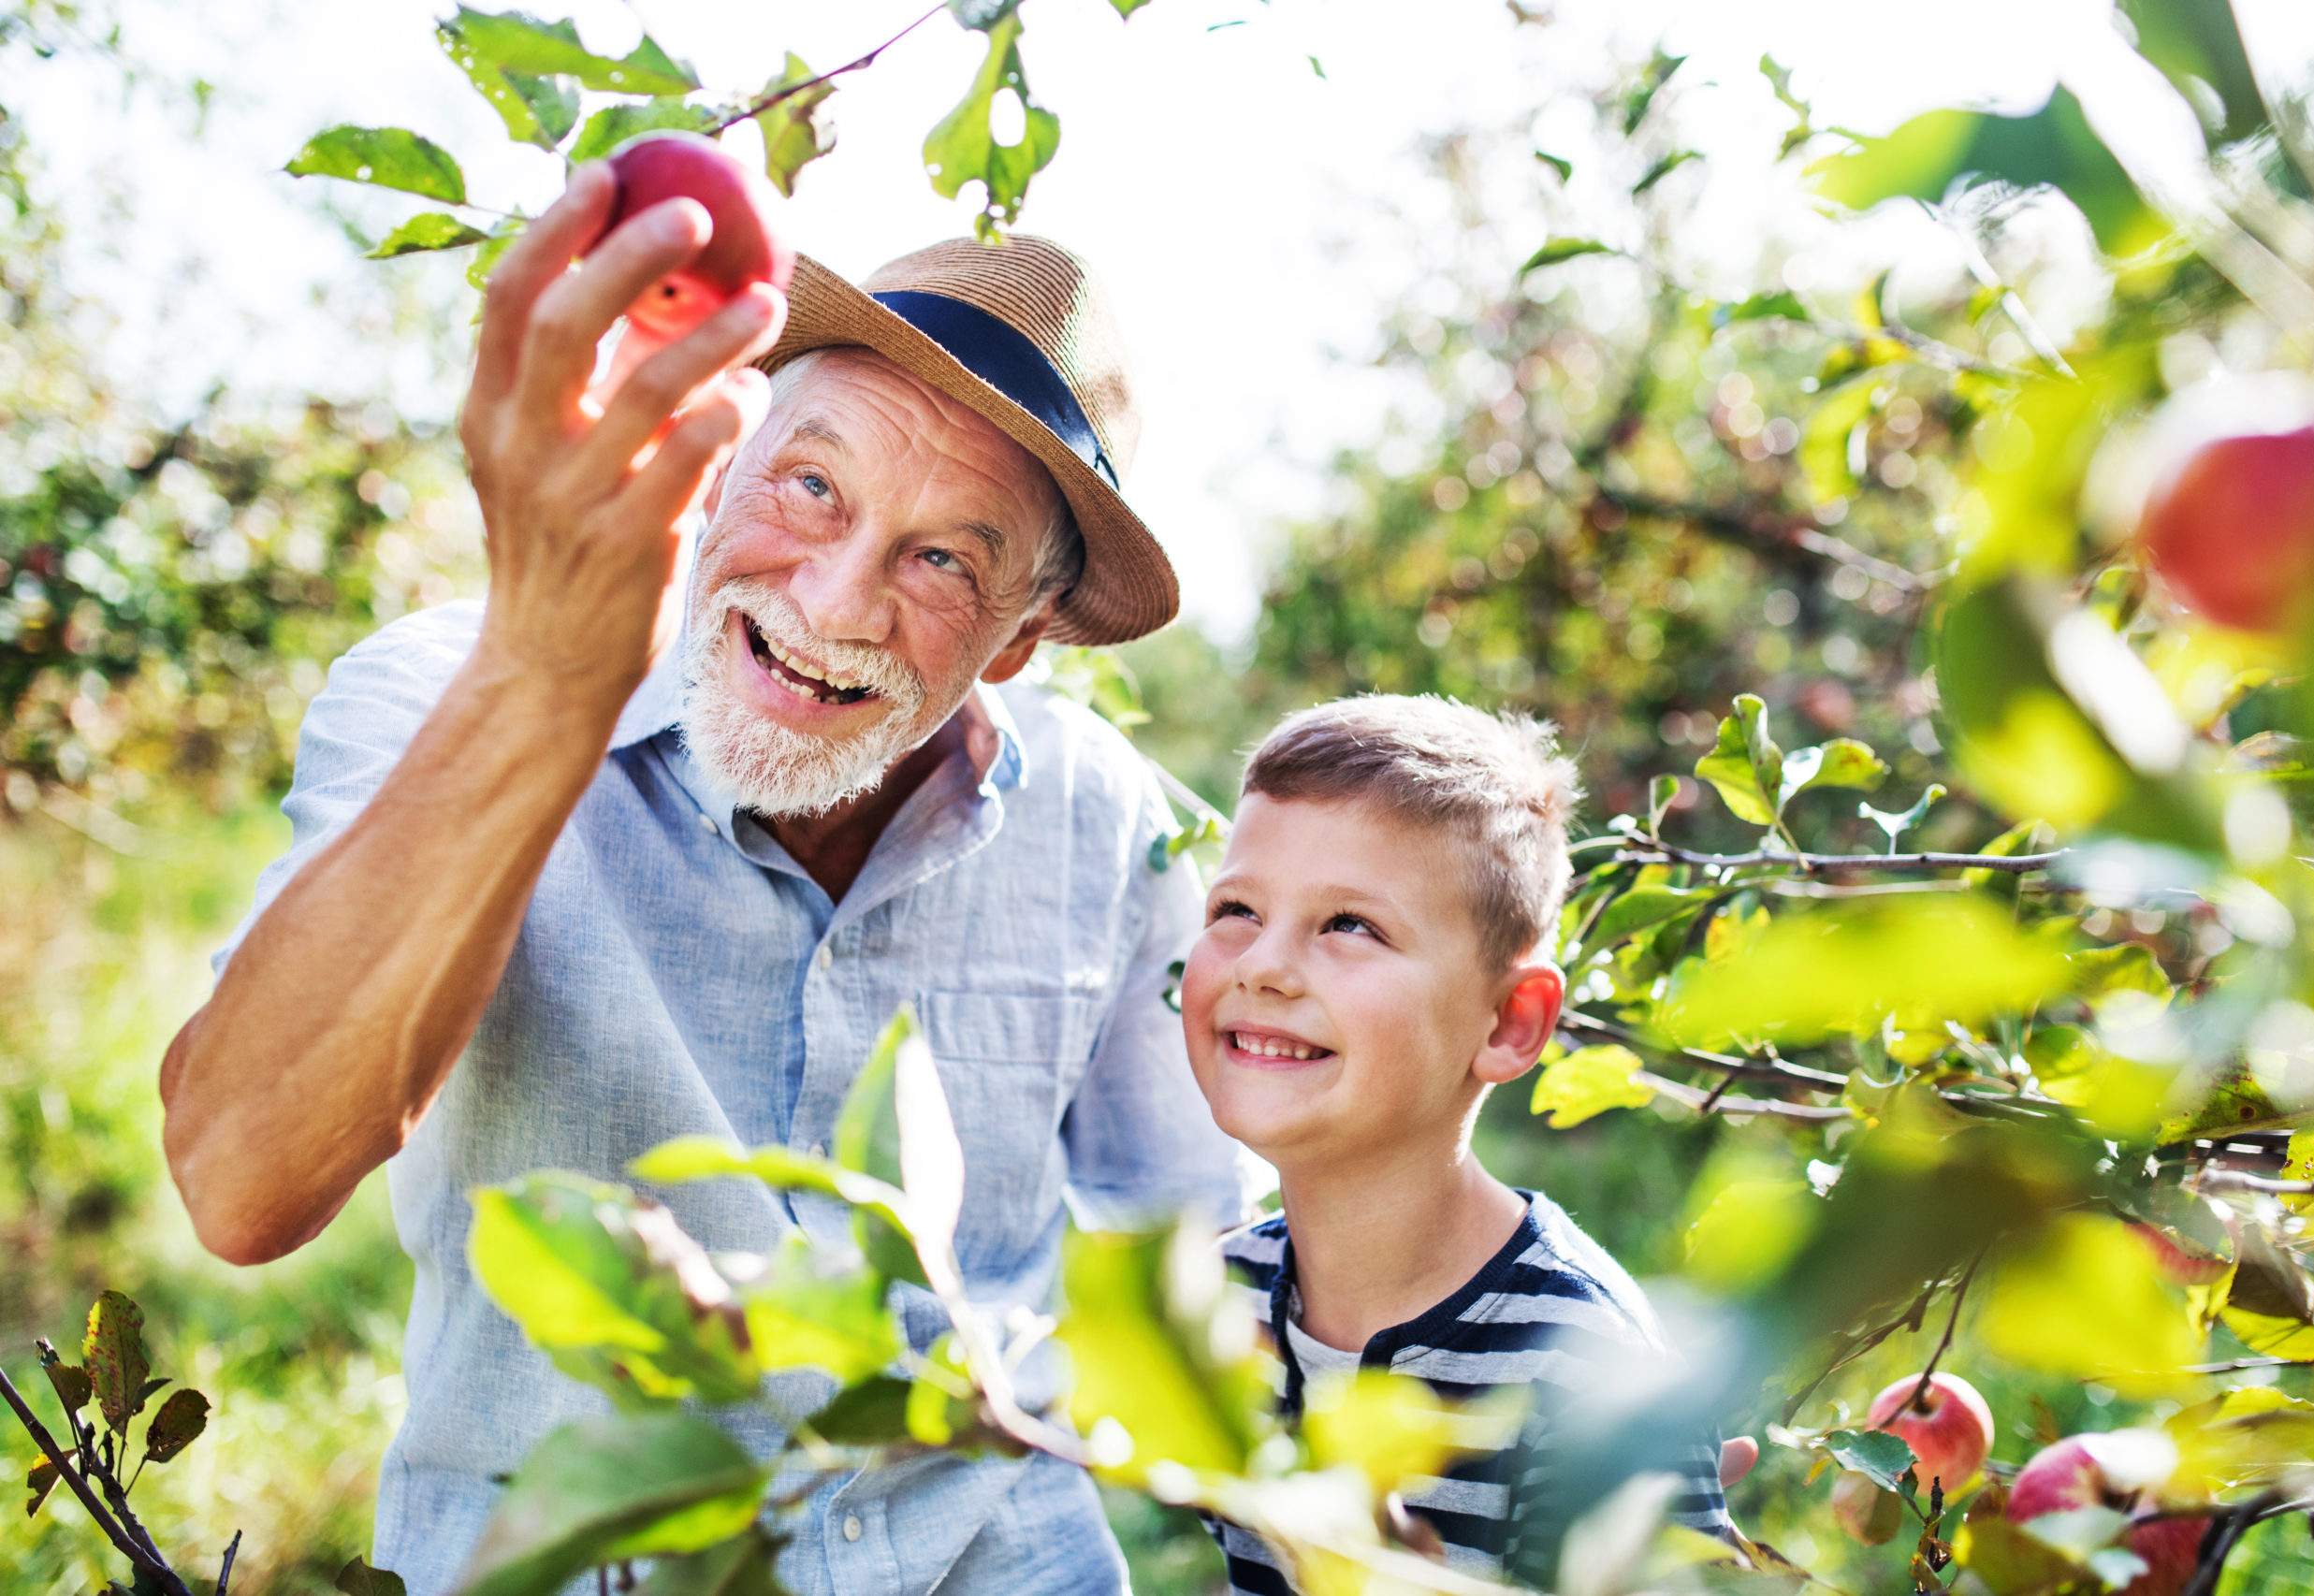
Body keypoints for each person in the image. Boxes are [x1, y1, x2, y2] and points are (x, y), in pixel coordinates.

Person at [155, 167, 1241, 1596]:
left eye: (940, 561)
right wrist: (542, 691)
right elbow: (243, 1182)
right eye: (811, 484)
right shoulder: (441, 695)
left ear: (1021, 641)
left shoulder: (1109, 822)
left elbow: (1207, 1246)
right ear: (725, 452)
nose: (833, 602)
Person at [1176, 695, 1731, 1590]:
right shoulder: (1215, 1304)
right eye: (1236, 907)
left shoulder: (1581, 1371)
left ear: (1511, 1023)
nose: (1262, 965)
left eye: (1349, 925)